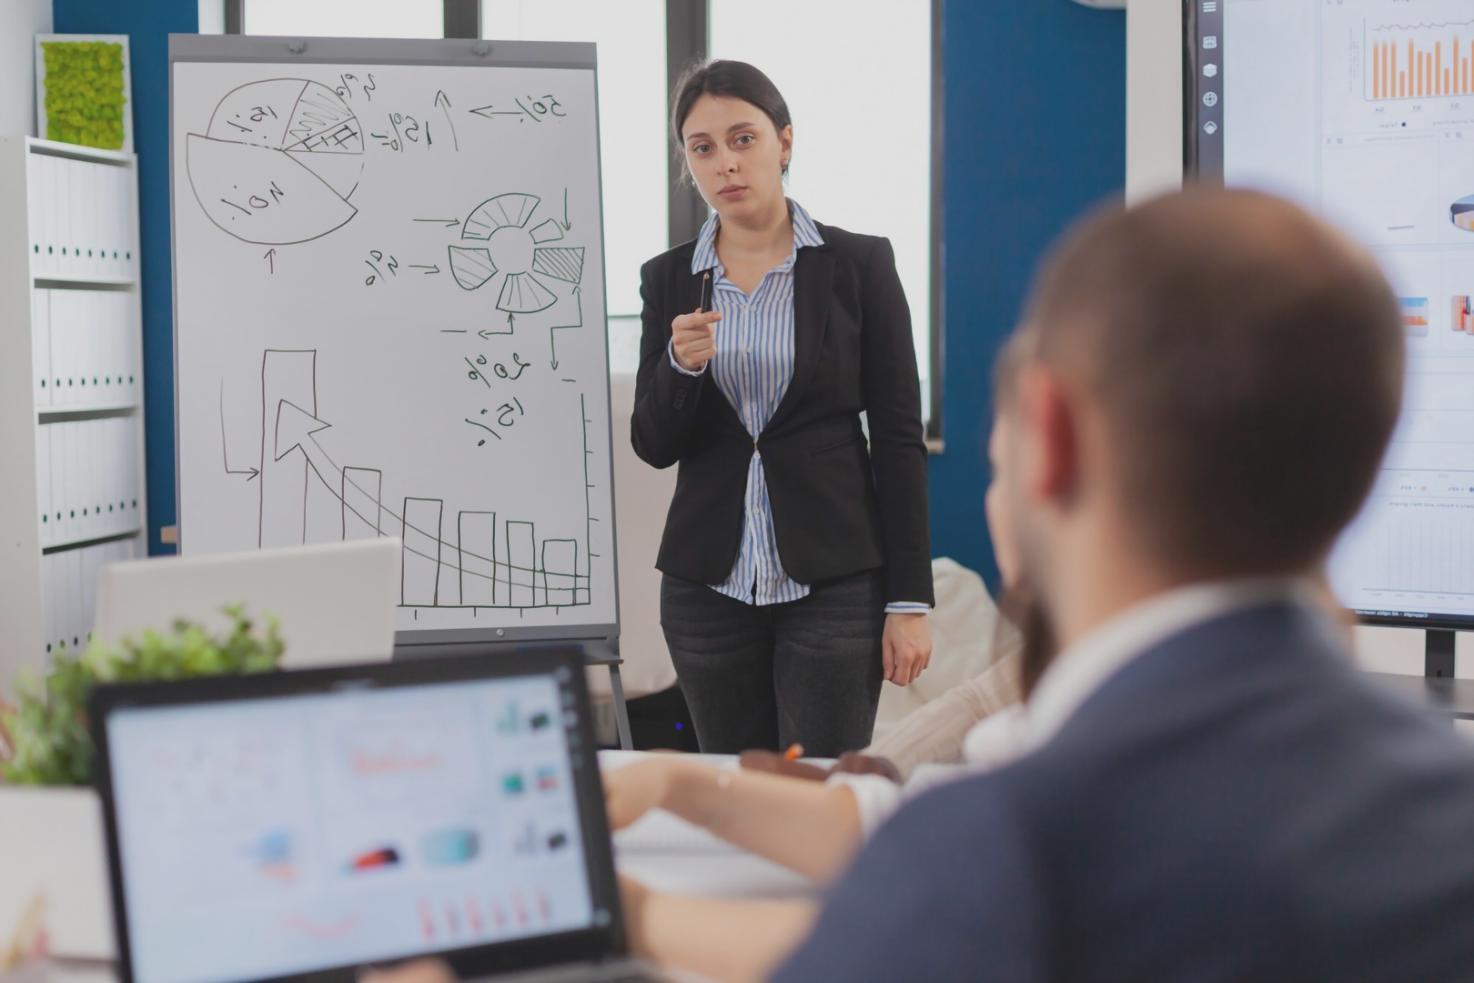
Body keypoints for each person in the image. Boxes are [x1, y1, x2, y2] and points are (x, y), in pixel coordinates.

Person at [617, 188, 1474, 982]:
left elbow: (871, 931)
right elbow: (889, 830)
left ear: (1050, 437)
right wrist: (677, 783)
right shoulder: (1443, 800)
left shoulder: (1021, 849)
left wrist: (619, 914)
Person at [631, 60, 933, 756]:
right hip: (707, 586)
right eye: (702, 148)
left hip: (833, 581)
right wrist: (680, 367)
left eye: (743, 139)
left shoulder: (859, 264)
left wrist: (908, 599)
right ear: (688, 163)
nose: (725, 163)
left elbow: (896, 437)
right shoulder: (670, 277)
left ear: (784, 143)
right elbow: (653, 442)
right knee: (732, 791)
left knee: (820, 790)